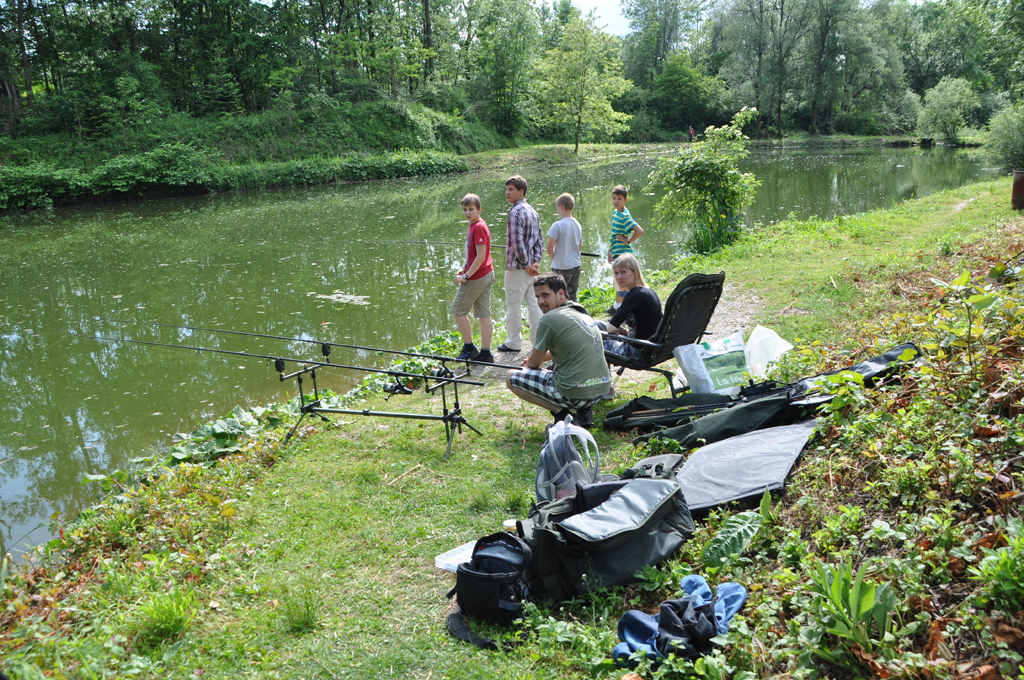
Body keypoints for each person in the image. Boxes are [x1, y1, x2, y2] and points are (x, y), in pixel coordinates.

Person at [506, 273, 612, 429]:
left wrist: (530, 363)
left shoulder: (548, 319)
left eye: (545, 295)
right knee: (561, 367)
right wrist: (542, 359)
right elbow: (571, 350)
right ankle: (584, 412)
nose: (540, 302)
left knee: (510, 377)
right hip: (601, 389)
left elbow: (534, 365)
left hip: (577, 395)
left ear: (561, 293)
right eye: (537, 297)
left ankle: (562, 414)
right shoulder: (579, 310)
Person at [499, 175, 542, 352]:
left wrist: (526, 264)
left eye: (511, 190)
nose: (507, 193)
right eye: (507, 189)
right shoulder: (533, 211)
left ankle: (513, 342)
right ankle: (538, 341)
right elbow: (539, 240)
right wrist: (535, 262)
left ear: (521, 192)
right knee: (534, 305)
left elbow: (517, 243)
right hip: (531, 269)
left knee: (513, 306)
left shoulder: (515, 213)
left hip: (518, 269)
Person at [451, 193, 495, 362]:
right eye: (464, 209)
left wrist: (466, 276)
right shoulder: (474, 226)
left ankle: (469, 348)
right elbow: (472, 255)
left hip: (477, 277)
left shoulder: (478, 227)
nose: (467, 212)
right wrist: (462, 268)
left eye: (471, 209)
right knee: (484, 314)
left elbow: (481, 256)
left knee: (457, 310)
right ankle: (485, 353)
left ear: (479, 209)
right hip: (485, 274)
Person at [603, 253, 662, 361]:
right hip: (652, 348)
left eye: (623, 272)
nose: (618, 277)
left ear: (635, 272)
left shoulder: (634, 295)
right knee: (597, 325)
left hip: (637, 351)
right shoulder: (647, 290)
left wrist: (617, 329)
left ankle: (601, 373)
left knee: (594, 343)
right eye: (616, 273)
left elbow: (610, 329)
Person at [607, 185, 644, 314]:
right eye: (614, 198)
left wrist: (627, 240)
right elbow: (615, 234)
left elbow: (639, 231)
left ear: (625, 200)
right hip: (617, 252)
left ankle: (624, 308)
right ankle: (618, 306)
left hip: (623, 255)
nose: (616, 201)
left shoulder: (624, 216)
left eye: (619, 199)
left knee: (623, 282)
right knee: (618, 282)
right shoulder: (615, 213)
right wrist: (610, 250)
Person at [546, 192, 584, 301]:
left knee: (557, 296)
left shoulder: (557, 225)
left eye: (557, 207)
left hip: (560, 267)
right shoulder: (578, 224)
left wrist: (555, 258)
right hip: (576, 265)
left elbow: (549, 249)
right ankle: (574, 311)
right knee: (572, 295)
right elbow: (579, 247)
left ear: (561, 206)